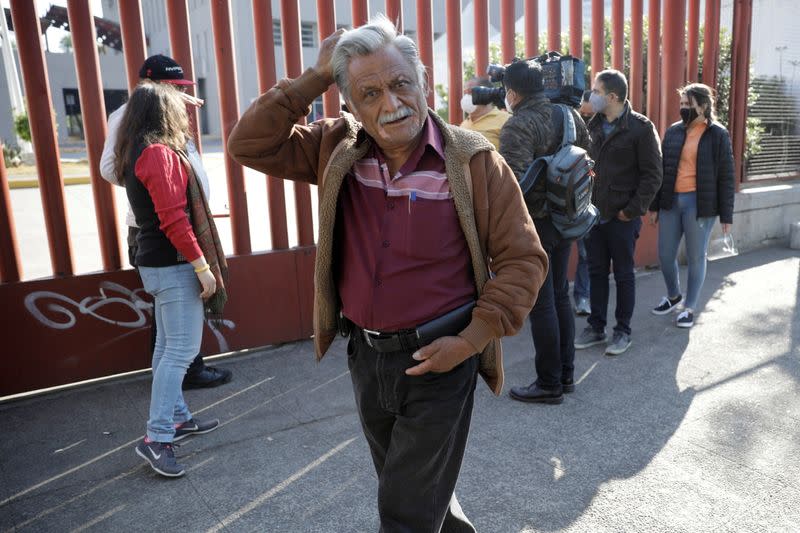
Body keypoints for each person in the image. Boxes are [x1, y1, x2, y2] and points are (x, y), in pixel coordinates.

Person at [227, 15, 547, 531]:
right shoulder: (337, 149)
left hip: (443, 357)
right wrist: (314, 77)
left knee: (404, 512)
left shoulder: (474, 163)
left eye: (401, 84)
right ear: (349, 103)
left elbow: (524, 260)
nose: (390, 103)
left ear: (424, 84)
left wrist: (470, 342)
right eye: (369, 92)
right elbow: (250, 145)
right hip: (367, 358)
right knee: (413, 491)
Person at [115, 81, 227, 477]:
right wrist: (202, 266)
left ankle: (177, 419)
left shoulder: (134, 152)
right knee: (180, 352)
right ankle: (157, 437)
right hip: (173, 263)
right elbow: (174, 218)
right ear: (166, 112)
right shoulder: (159, 154)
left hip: (157, 262)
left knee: (167, 348)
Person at [100, 54, 232, 390]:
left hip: (175, 228)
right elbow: (112, 168)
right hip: (162, 230)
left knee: (171, 330)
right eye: (173, 87)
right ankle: (177, 390)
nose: (180, 93)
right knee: (175, 335)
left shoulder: (164, 116)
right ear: (154, 86)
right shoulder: (134, 118)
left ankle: (176, 395)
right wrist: (156, 187)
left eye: (181, 87)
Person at [498, 59, 590, 405]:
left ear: (512, 92)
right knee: (560, 296)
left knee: (542, 304)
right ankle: (565, 375)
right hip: (567, 219)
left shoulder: (518, 126)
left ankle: (549, 382)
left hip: (535, 224)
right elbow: (587, 158)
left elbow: (512, 187)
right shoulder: (569, 115)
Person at [575, 69, 662, 356]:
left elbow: (652, 175)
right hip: (594, 215)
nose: (592, 96)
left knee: (624, 274)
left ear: (613, 96)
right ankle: (596, 326)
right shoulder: (593, 124)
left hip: (622, 217)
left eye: (597, 91)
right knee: (597, 271)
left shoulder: (640, 127)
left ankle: (622, 331)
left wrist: (631, 211)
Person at [648, 83, 735, 328]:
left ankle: (690, 306)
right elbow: (662, 171)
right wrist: (655, 205)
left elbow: (727, 176)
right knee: (665, 255)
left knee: (696, 256)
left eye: (689, 104)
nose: (683, 108)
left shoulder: (717, 134)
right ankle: (674, 295)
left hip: (700, 203)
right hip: (671, 202)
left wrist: (727, 215)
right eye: (682, 104)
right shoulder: (674, 132)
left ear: (703, 106)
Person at [572, 89, 593, 317]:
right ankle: (582, 297)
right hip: (578, 199)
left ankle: (586, 296)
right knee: (584, 253)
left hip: (599, 199)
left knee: (588, 255)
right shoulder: (573, 124)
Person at [459, 75, 509, 149]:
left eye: (470, 92)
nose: (466, 97)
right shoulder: (463, 125)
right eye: (465, 93)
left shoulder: (506, 120)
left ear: (485, 93)